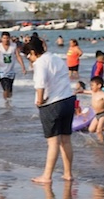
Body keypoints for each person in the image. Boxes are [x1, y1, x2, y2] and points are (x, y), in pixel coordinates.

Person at [24, 35, 76, 183]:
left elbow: (40, 84)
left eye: (29, 55)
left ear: (34, 52)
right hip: (68, 100)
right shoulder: (56, 58)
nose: (29, 59)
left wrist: (39, 101)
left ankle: (47, 176)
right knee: (66, 140)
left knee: (53, 142)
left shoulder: (40, 63)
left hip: (52, 104)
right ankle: (68, 173)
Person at [0, 31, 26, 101]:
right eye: (4, 38)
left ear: (9, 38)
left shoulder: (14, 46)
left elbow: (18, 56)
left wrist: (23, 67)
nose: (5, 40)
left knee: (10, 90)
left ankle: (8, 103)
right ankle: (5, 102)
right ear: (1, 38)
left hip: (11, 72)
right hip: (2, 72)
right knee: (5, 89)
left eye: (7, 38)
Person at [87, 77, 104, 141]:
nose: (91, 86)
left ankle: (102, 144)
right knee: (91, 130)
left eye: (92, 85)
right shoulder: (93, 92)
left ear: (99, 85)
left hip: (103, 114)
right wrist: (78, 91)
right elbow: (85, 91)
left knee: (98, 130)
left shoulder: (103, 92)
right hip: (96, 114)